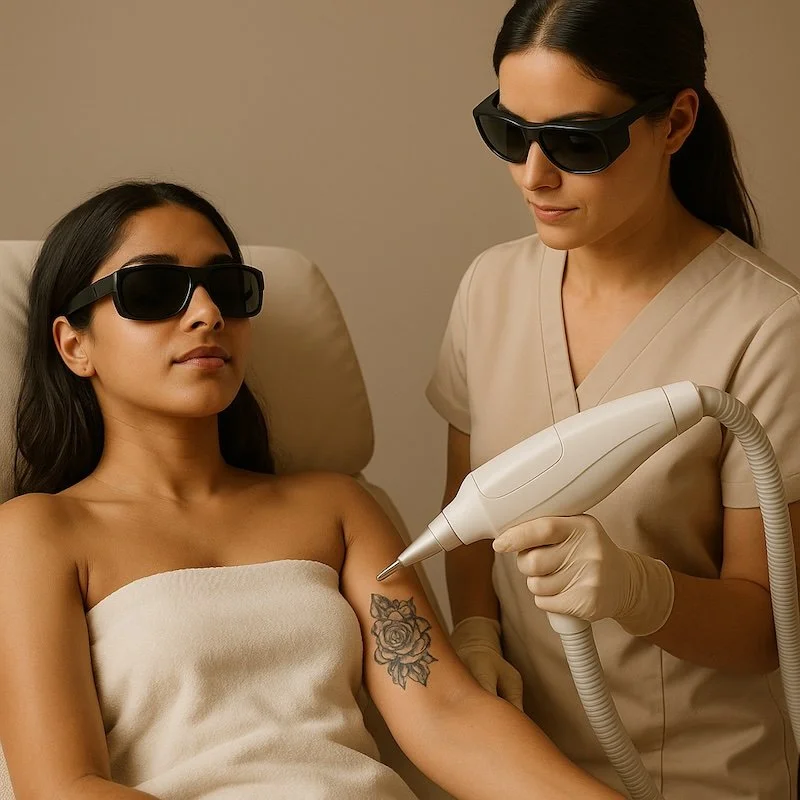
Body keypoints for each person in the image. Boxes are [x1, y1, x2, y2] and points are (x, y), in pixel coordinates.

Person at [0, 181, 622, 800]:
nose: (207, 313)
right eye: (154, 290)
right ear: (74, 344)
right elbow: (63, 787)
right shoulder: (39, 534)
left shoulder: (338, 509)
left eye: (229, 288)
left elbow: (446, 714)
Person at [427, 1, 800, 798]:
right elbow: (468, 511)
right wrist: (477, 632)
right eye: (509, 131)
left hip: (695, 777)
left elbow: (769, 629)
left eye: (577, 142)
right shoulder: (490, 286)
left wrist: (640, 590)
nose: (534, 174)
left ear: (674, 122)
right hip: (519, 765)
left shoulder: (769, 326)